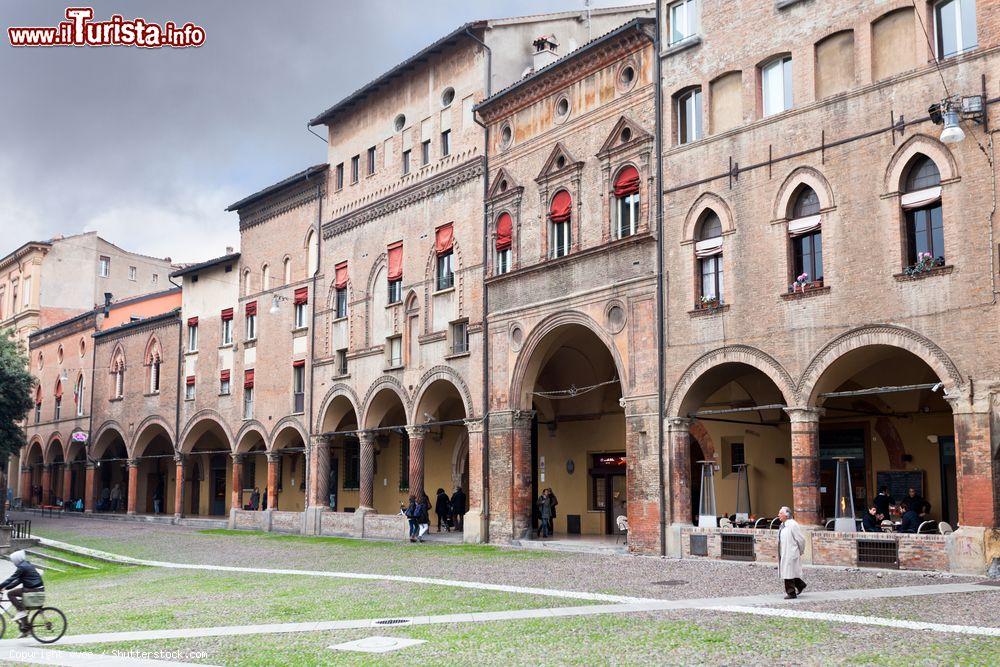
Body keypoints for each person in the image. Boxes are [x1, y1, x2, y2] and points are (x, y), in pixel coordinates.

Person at [0, 550, 44, 638]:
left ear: (17, 560)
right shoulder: (26, 565)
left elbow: (11, 578)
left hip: (33, 590)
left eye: (13, 561)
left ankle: (21, 613)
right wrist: (5, 587)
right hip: (35, 589)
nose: (13, 563)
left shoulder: (22, 567)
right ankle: (26, 630)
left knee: (11, 594)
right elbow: (18, 581)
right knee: (21, 607)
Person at [777, 506, 807, 599]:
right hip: (785, 552)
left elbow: (801, 539)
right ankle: (800, 585)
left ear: (787, 515)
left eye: (780, 513)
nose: (778, 515)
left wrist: (800, 551)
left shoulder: (793, 524)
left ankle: (791, 593)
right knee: (789, 571)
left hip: (791, 552)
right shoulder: (783, 525)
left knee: (788, 572)